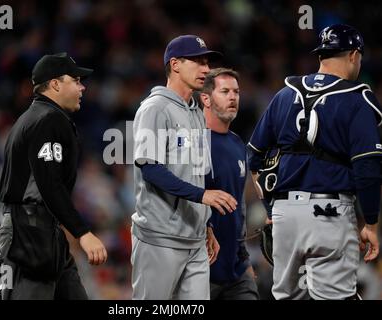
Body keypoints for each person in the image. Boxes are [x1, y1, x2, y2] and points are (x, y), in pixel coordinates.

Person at [248, 24, 382, 300]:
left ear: (321, 55)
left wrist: (271, 207)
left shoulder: (285, 94)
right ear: (355, 55)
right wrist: (370, 223)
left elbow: (253, 158)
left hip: (284, 217)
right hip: (328, 214)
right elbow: (367, 169)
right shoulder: (356, 99)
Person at [131, 35, 238, 300]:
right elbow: (151, 169)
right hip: (160, 237)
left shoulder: (196, 112)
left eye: (207, 62)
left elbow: (199, 172)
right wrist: (203, 197)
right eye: (198, 62)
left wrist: (207, 224)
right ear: (175, 64)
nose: (206, 69)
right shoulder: (154, 108)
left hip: (195, 240)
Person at [0, 52, 107, 300]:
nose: (83, 86)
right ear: (55, 84)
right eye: (76, 80)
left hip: (43, 231)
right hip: (30, 233)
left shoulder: (32, 117)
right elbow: (49, 183)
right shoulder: (48, 119)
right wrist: (83, 233)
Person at [199, 68, 259, 300]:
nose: (233, 97)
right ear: (205, 98)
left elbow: (239, 208)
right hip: (201, 270)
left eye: (236, 91)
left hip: (236, 271)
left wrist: (244, 258)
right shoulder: (192, 144)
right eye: (225, 91)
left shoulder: (237, 143)